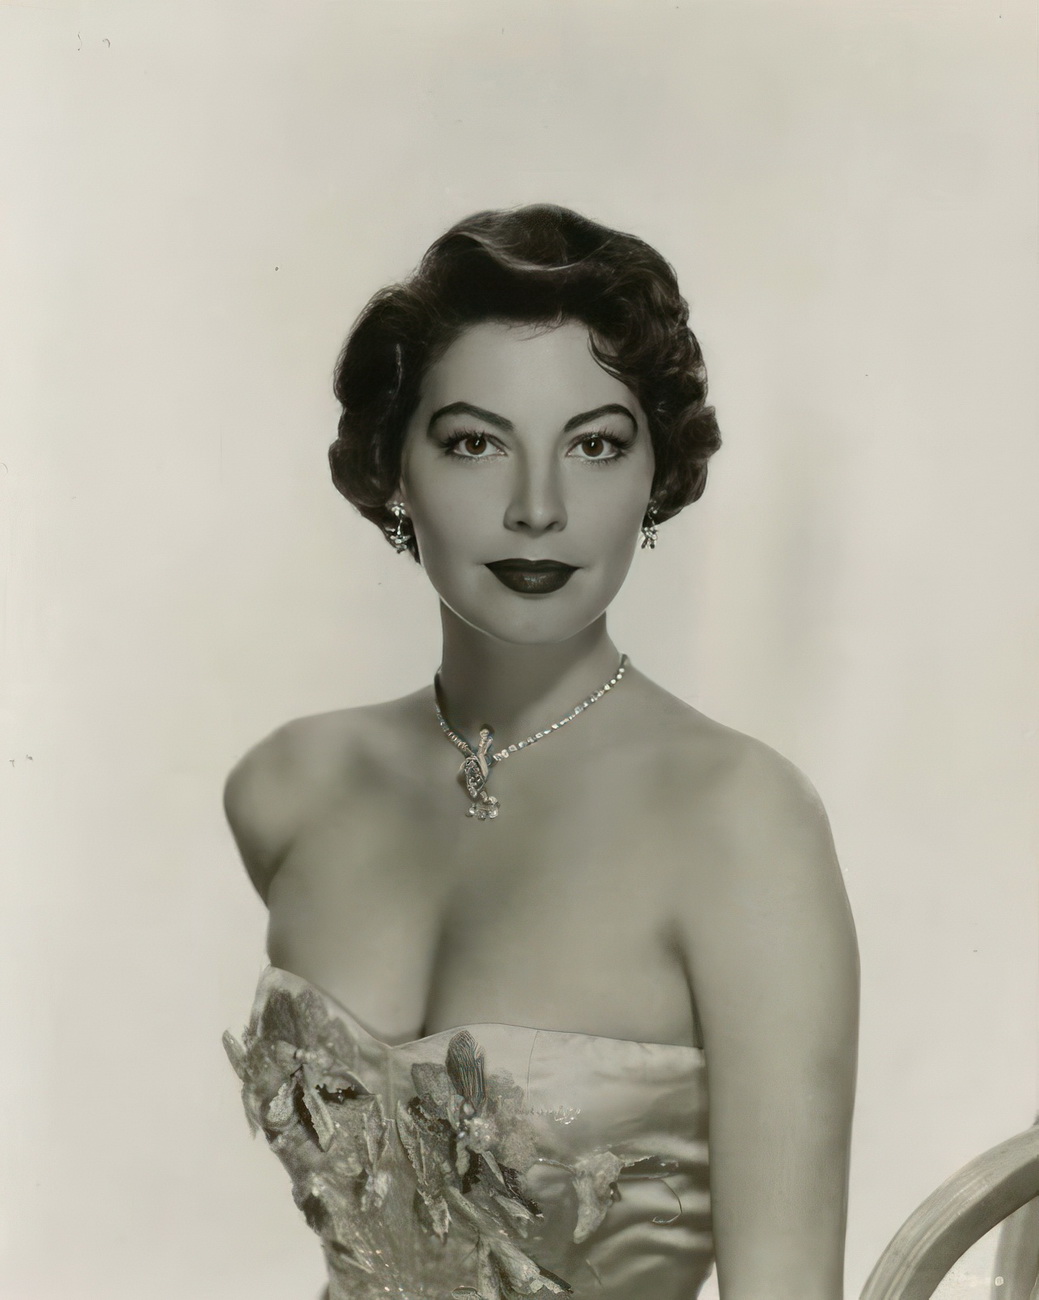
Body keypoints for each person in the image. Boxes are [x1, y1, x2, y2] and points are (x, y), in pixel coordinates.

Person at [222, 204, 859, 1300]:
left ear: (656, 475)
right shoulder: (291, 788)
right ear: (392, 468)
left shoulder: (741, 821)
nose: (537, 507)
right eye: (474, 443)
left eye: (595, 445)